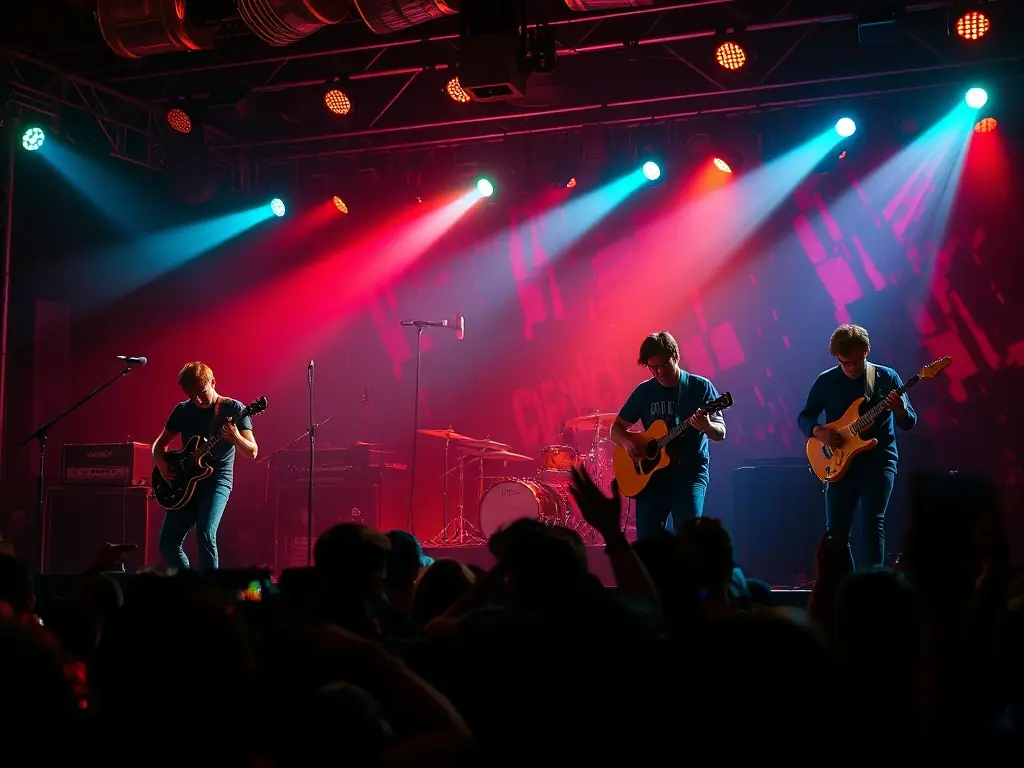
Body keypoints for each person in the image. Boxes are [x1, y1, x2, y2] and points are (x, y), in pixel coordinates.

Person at [797, 324, 917, 569]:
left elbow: (909, 422)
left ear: (866, 351)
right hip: (838, 461)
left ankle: (874, 585)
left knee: (873, 523)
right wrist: (819, 432)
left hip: (879, 460)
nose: (849, 368)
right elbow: (805, 418)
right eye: (843, 363)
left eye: (854, 362)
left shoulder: (887, 377)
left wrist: (900, 410)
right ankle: (845, 587)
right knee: (836, 532)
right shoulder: (826, 380)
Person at [610, 332, 727, 541]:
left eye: (663, 365)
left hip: (689, 474)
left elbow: (721, 433)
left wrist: (708, 426)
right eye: (652, 368)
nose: (659, 373)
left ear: (676, 357)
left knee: (690, 540)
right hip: (651, 479)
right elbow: (616, 429)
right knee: (647, 545)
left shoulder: (700, 387)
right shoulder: (644, 392)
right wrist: (628, 443)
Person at [152, 362, 258, 571]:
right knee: (167, 543)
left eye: (202, 393)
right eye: (192, 396)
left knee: (205, 534)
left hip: (217, 482)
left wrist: (235, 436)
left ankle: (211, 592)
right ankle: (189, 586)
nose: (198, 400)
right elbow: (159, 445)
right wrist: (162, 465)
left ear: (213, 382)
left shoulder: (233, 408)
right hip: (186, 482)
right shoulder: (183, 410)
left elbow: (252, 452)